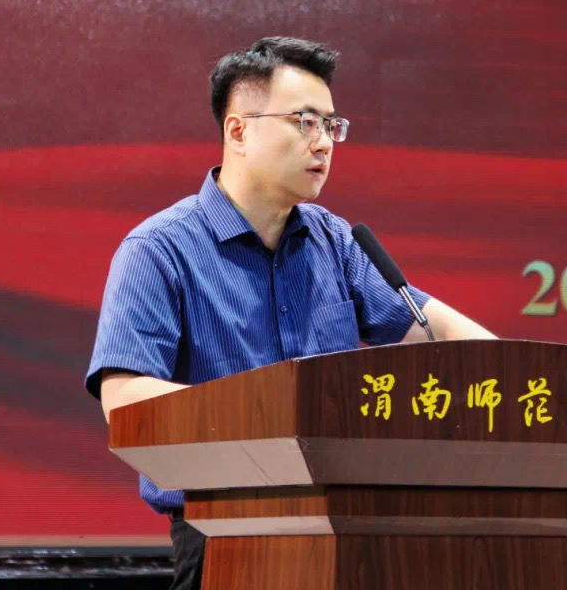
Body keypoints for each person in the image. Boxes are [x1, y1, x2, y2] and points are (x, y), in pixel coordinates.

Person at [84, 36, 495, 590]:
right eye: (304, 122)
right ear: (238, 131)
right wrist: (276, 414)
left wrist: (513, 373)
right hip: (224, 534)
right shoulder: (159, 250)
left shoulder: (336, 242)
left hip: (349, 530)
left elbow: (432, 329)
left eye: (331, 125)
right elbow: (126, 399)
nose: (323, 142)